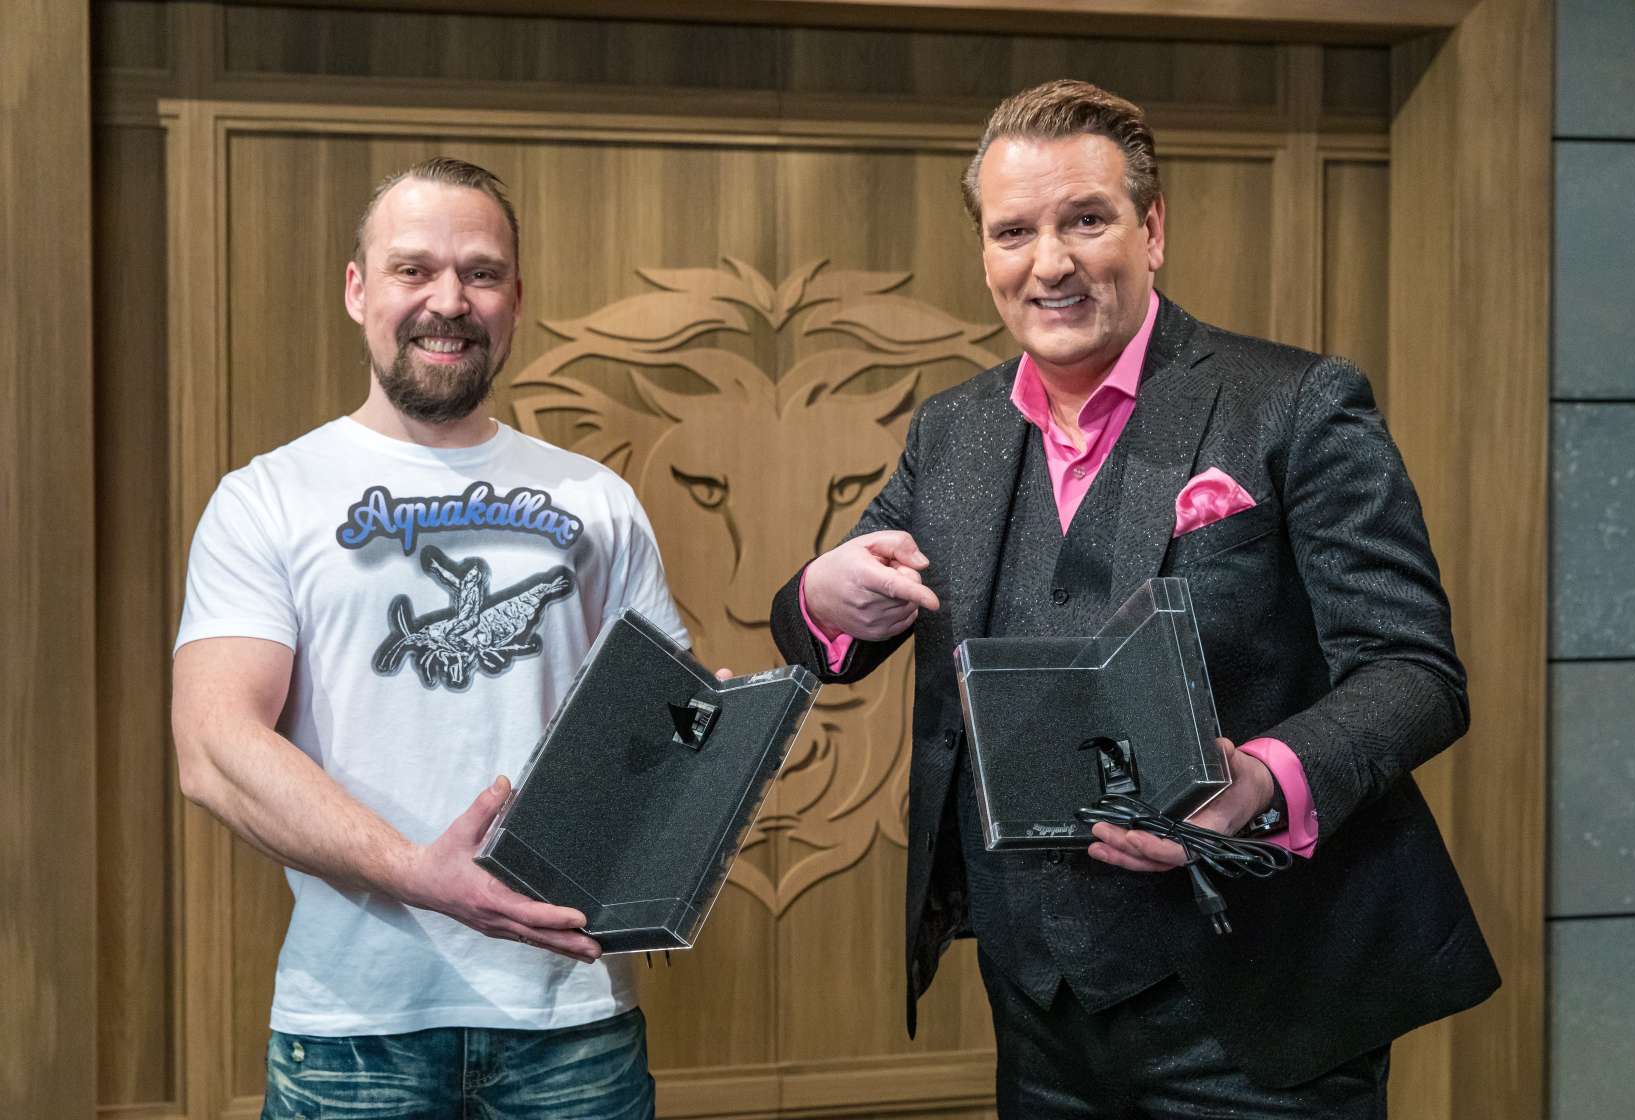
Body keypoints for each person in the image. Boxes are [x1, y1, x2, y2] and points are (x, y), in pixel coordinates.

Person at [771, 80, 1499, 1118]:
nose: (1049, 263)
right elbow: (828, 629)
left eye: (1086, 220)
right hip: (1039, 1007)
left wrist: (1262, 780)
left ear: (1151, 230)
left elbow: (1414, 671)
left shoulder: (1294, 403)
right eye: (1013, 232)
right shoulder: (951, 432)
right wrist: (819, 593)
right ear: (985, 251)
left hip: (1261, 1002)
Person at [172, 157, 685, 1119]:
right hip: (352, 1031)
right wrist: (420, 875)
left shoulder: (598, 501)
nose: (449, 300)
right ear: (357, 289)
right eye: (413, 269)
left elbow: (661, 731)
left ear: (515, 300)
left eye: (480, 273)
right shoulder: (268, 498)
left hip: (571, 1020)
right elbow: (212, 748)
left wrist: (704, 743)